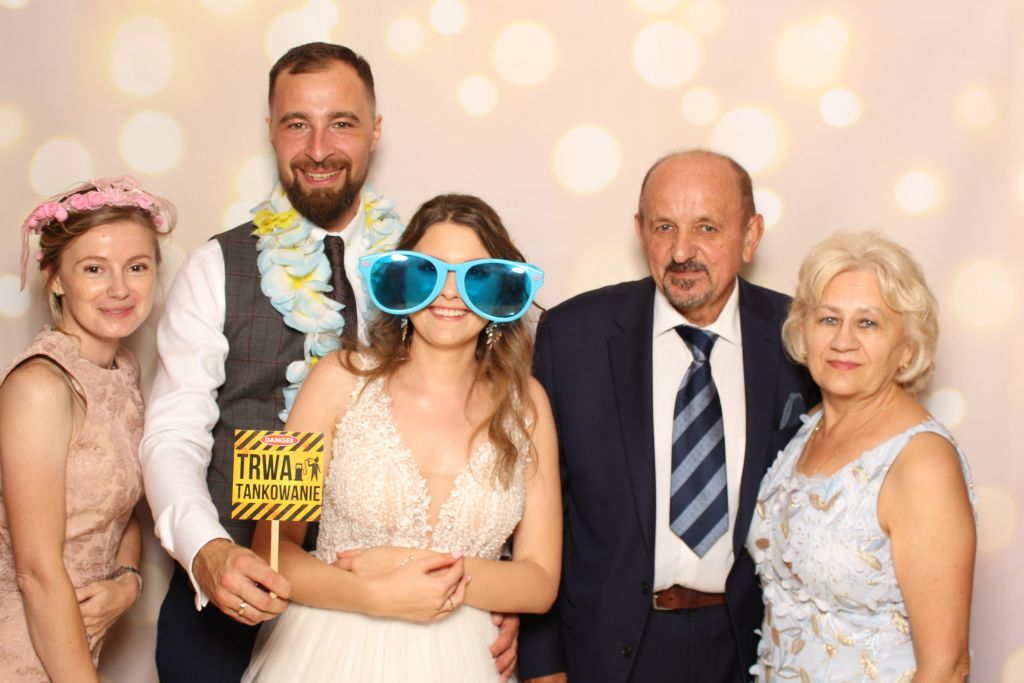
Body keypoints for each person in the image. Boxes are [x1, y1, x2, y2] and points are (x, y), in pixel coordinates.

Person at [140, 43, 517, 682]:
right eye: (297, 124)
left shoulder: (427, 268)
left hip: (405, 628)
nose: (319, 149)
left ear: (374, 131)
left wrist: (483, 588)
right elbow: (173, 435)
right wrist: (208, 551)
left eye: (341, 122)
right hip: (237, 599)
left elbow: (470, 423)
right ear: (270, 131)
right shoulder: (215, 267)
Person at [518, 150, 820, 682]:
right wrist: (542, 666)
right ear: (640, 232)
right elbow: (539, 510)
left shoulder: (802, 338)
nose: (682, 252)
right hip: (608, 653)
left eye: (707, 228)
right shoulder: (573, 336)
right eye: (664, 227)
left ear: (750, 236)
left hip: (754, 650)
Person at [242, 193, 561, 682]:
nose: (449, 293)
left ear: (502, 287)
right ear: (400, 280)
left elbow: (539, 582)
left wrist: (409, 563)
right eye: (427, 272)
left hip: (467, 661)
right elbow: (271, 549)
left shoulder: (528, 404)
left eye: (474, 275)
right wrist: (376, 595)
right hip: (331, 653)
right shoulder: (335, 378)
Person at [747, 231, 975, 681]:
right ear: (804, 331)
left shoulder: (922, 463)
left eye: (868, 323)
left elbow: (947, 667)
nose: (843, 341)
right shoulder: (809, 427)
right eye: (829, 319)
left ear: (907, 347)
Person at [0, 177, 175, 681]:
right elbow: (36, 572)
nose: (119, 289)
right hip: (24, 648)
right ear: (56, 278)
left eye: (136, 267)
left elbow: (124, 509)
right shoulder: (40, 387)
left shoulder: (122, 370)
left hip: (73, 644)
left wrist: (128, 581)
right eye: (94, 269)